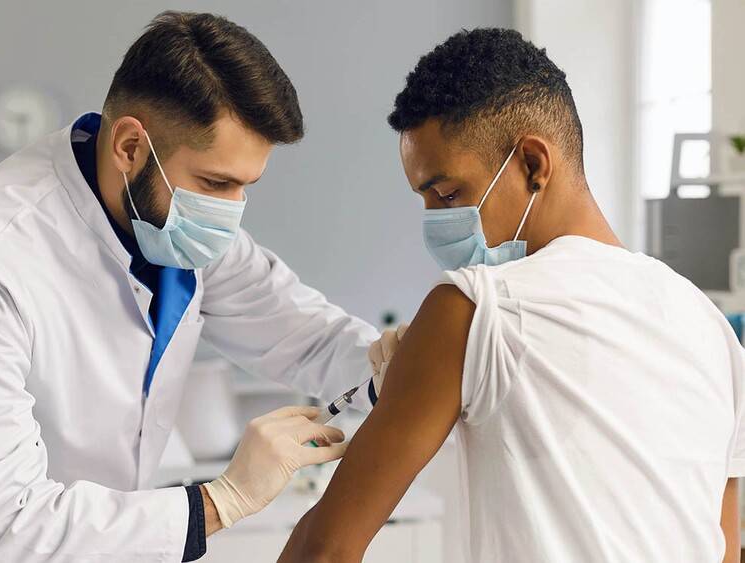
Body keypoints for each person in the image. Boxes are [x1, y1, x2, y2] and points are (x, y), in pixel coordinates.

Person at [0, 12, 391, 562]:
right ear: (131, 146)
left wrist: (392, 362)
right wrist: (227, 498)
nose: (231, 212)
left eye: (245, 186)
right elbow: (7, 529)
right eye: (215, 183)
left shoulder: (179, 229)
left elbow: (306, 338)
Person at [280, 28, 745, 563]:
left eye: (448, 192)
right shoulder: (709, 325)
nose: (434, 220)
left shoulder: (476, 306)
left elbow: (325, 550)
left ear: (532, 164)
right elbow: (725, 548)